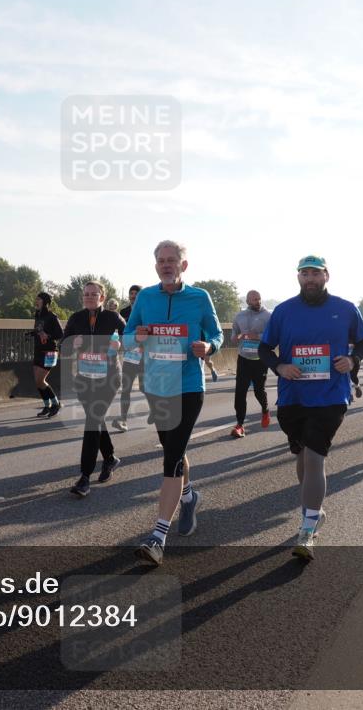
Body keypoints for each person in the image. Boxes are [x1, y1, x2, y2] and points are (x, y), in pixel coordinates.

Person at [258, 255, 363, 561]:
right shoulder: (283, 311)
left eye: (315, 273)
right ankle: (313, 511)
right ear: (298, 277)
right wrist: (280, 367)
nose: (310, 278)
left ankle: (307, 530)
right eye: (304, 273)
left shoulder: (346, 309)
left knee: (315, 457)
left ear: (326, 276)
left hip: (331, 395)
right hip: (292, 395)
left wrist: (353, 360)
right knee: (302, 455)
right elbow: (264, 348)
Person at [126, 241, 222, 565]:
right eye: (161, 261)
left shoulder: (200, 297)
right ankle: (189, 496)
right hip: (156, 386)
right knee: (174, 450)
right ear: (156, 266)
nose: (166, 265)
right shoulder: (145, 297)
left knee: (171, 460)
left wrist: (209, 347)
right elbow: (127, 336)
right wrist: (137, 337)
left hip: (188, 386)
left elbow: (217, 334)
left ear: (184, 265)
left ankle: (158, 537)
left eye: (172, 260)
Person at [65, 281, 125, 497]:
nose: (89, 297)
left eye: (94, 294)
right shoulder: (76, 318)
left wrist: (121, 345)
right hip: (84, 379)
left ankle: (85, 477)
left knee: (92, 422)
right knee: (96, 420)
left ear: (102, 297)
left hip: (108, 379)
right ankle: (110, 458)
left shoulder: (113, 317)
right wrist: (72, 343)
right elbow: (63, 344)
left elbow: (131, 339)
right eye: (86, 294)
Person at [230, 290, 272, 437]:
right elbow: (234, 334)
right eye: (254, 299)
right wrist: (235, 338)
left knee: (259, 390)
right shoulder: (240, 316)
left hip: (260, 358)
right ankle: (240, 425)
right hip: (243, 358)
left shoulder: (268, 316)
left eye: (259, 299)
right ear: (247, 301)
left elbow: (273, 336)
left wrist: (257, 336)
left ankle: (265, 410)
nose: (257, 301)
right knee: (240, 392)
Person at [26, 292, 63, 418]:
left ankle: (56, 404)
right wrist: (32, 334)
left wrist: (48, 336)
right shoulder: (37, 315)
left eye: (39, 299)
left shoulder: (52, 316)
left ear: (45, 302)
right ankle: (47, 406)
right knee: (38, 382)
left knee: (40, 380)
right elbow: (39, 330)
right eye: (36, 299)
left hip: (50, 351)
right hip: (38, 350)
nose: (36, 301)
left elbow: (60, 334)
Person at [113, 284, 143, 432]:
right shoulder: (123, 312)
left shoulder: (147, 311)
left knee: (145, 388)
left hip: (144, 356)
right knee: (126, 389)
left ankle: (157, 411)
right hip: (129, 356)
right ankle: (123, 420)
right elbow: (118, 331)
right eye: (131, 294)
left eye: (136, 294)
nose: (133, 296)